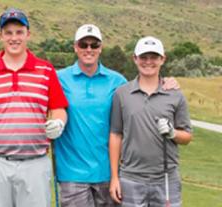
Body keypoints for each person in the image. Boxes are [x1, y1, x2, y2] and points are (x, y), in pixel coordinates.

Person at [54, 25, 180, 207]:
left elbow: (142, 89)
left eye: (94, 45)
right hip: (72, 173)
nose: (89, 49)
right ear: (75, 47)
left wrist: (166, 81)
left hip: (109, 173)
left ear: (101, 47)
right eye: (84, 44)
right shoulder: (59, 78)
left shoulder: (117, 81)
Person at [0, 8, 68, 207]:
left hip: (35, 162)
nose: (14, 38)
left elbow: (58, 107)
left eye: (19, 32)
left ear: (28, 35)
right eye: (8, 33)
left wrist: (59, 121)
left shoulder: (46, 70)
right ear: (0, 36)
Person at [109, 36, 192, 207]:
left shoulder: (175, 95)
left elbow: (187, 137)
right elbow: (116, 135)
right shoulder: (122, 94)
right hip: (131, 178)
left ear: (163, 59)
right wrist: (115, 178)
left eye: (154, 57)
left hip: (166, 179)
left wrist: (172, 133)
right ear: (135, 59)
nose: (148, 62)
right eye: (143, 57)